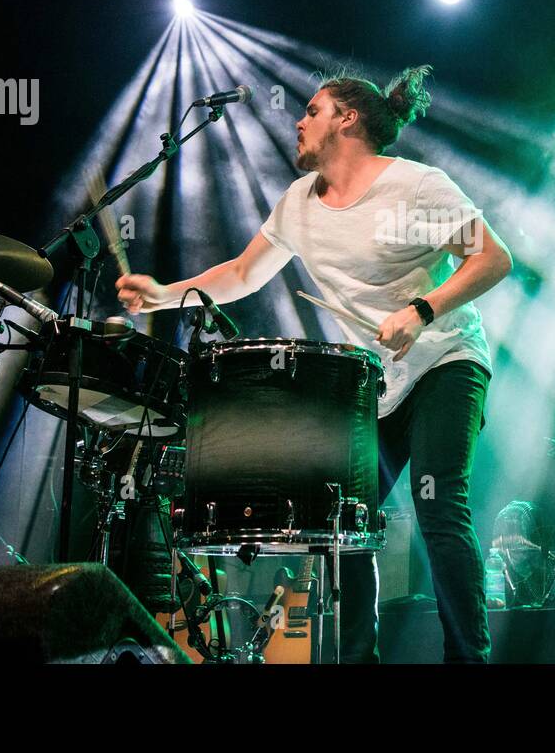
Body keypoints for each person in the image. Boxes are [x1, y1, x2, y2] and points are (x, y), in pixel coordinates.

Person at [117, 64, 511, 661]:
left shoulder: (415, 188)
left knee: (439, 507)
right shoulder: (299, 202)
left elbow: (493, 259)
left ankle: (469, 660)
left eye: (311, 110)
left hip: (445, 360)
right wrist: (165, 293)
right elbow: (242, 273)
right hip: (375, 384)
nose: (298, 122)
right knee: (339, 526)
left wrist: (421, 310)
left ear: (347, 118)